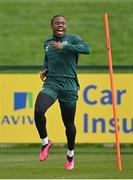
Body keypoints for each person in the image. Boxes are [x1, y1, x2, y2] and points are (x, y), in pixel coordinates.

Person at [34, 15, 91, 170]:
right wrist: (45, 68)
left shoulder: (72, 39)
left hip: (69, 86)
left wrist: (65, 46)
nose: (60, 25)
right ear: (52, 26)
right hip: (52, 83)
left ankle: (70, 154)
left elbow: (87, 49)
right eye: (57, 23)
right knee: (39, 110)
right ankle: (45, 143)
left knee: (68, 123)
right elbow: (48, 59)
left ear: (66, 26)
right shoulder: (47, 43)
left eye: (63, 23)